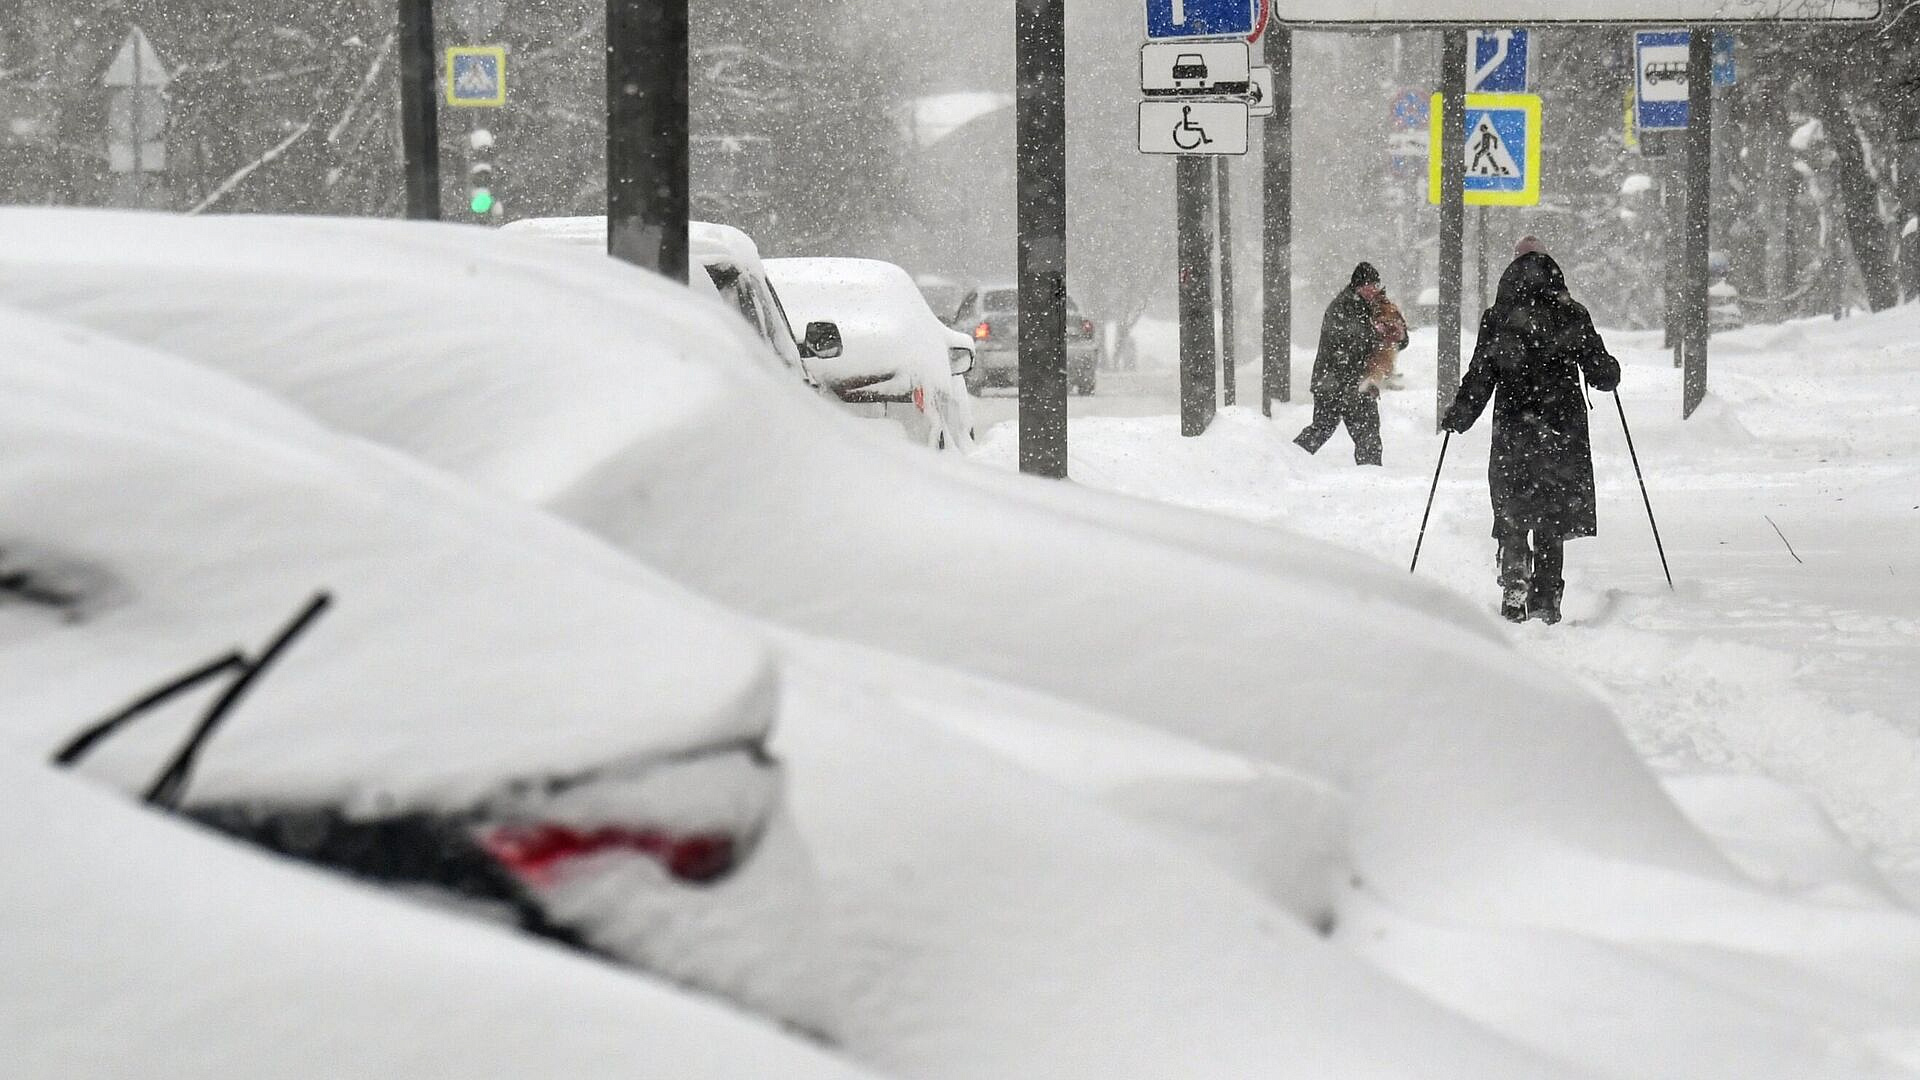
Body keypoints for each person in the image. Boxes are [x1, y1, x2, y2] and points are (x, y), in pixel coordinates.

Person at [1441, 245, 1620, 625]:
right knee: (1552, 516)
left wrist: (1460, 414)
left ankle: (1514, 583)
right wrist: (1607, 370)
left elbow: (1481, 375)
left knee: (1514, 510)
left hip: (1515, 429)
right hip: (1562, 429)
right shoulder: (1572, 314)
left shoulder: (1500, 318)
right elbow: (1601, 372)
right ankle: (1546, 601)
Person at [1295, 262, 1407, 467]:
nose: (1372, 289)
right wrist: (1377, 334)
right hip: (1334, 382)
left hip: (1359, 382)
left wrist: (1398, 335)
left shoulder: (1377, 305)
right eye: (1368, 285)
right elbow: (1349, 344)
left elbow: (1397, 338)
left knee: (1368, 435)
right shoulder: (1341, 308)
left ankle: (1370, 475)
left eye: (1375, 284)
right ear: (1357, 286)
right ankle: (1285, 461)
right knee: (1323, 428)